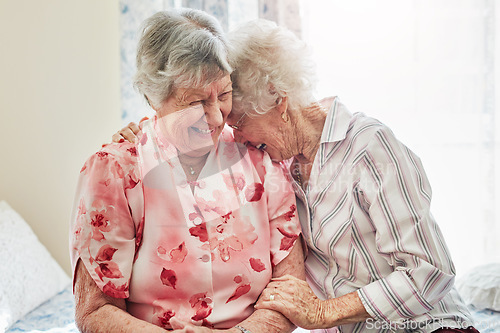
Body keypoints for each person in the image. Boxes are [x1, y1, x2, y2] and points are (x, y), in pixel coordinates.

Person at [115, 18, 478, 333]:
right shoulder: (275, 163)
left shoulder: (369, 147)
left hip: (426, 325)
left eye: (238, 121)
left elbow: (432, 270)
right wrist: (147, 134)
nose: (233, 134)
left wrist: (323, 312)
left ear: (278, 100)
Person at [70, 9, 304, 333]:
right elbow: (95, 311)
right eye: (195, 103)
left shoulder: (259, 160)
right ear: (155, 98)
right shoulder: (115, 173)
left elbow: (291, 289)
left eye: (223, 95)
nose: (216, 118)